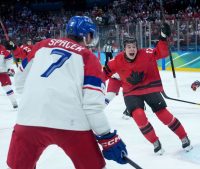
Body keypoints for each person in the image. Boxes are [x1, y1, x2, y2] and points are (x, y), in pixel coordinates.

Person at [5, 16, 127, 169]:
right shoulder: (88, 57)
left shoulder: (41, 46)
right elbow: (92, 106)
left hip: (28, 120)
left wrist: (37, 101)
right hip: (71, 124)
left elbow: (20, 82)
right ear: (87, 35)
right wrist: (108, 137)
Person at [103, 23, 192, 155]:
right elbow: (103, 74)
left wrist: (163, 37)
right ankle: (155, 142)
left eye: (134, 47)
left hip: (149, 88)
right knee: (139, 116)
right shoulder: (117, 60)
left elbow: (162, 52)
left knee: (164, 115)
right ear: (124, 49)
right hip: (131, 92)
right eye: (129, 47)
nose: (132, 49)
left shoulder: (145, 54)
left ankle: (184, 137)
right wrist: (88, 84)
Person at [0, 44, 18, 109]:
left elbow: (9, 59)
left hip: (2, 72)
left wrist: (8, 68)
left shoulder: (3, 49)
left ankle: (14, 103)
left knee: (7, 87)